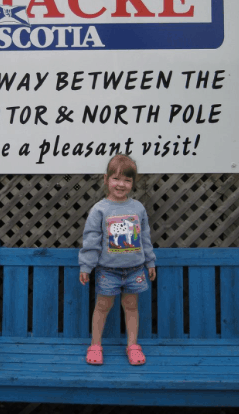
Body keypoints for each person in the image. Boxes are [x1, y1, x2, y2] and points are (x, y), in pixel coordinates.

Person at [79, 154, 156, 366]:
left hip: (135, 270)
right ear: (106, 179)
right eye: (116, 179)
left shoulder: (138, 208)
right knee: (102, 306)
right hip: (108, 271)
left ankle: (133, 345)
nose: (121, 184)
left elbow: (145, 238)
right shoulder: (99, 209)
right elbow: (91, 240)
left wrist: (150, 262)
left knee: (131, 306)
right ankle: (95, 345)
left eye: (127, 180)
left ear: (133, 183)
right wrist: (86, 266)